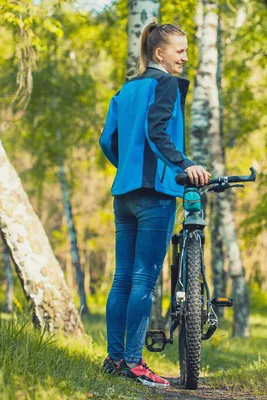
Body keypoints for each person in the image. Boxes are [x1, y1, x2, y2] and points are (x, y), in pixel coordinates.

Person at [99, 21, 210, 387]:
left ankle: (115, 360)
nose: (185, 57)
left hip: (124, 194)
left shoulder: (126, 89)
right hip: (155, 195)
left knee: (122, 280)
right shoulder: (164, 84)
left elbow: (107, 140)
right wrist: (185, 164)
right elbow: (157, 131)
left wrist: (128, 168)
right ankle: (133, 362)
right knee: (143, 281)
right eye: (180, 51)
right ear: (159, 52)